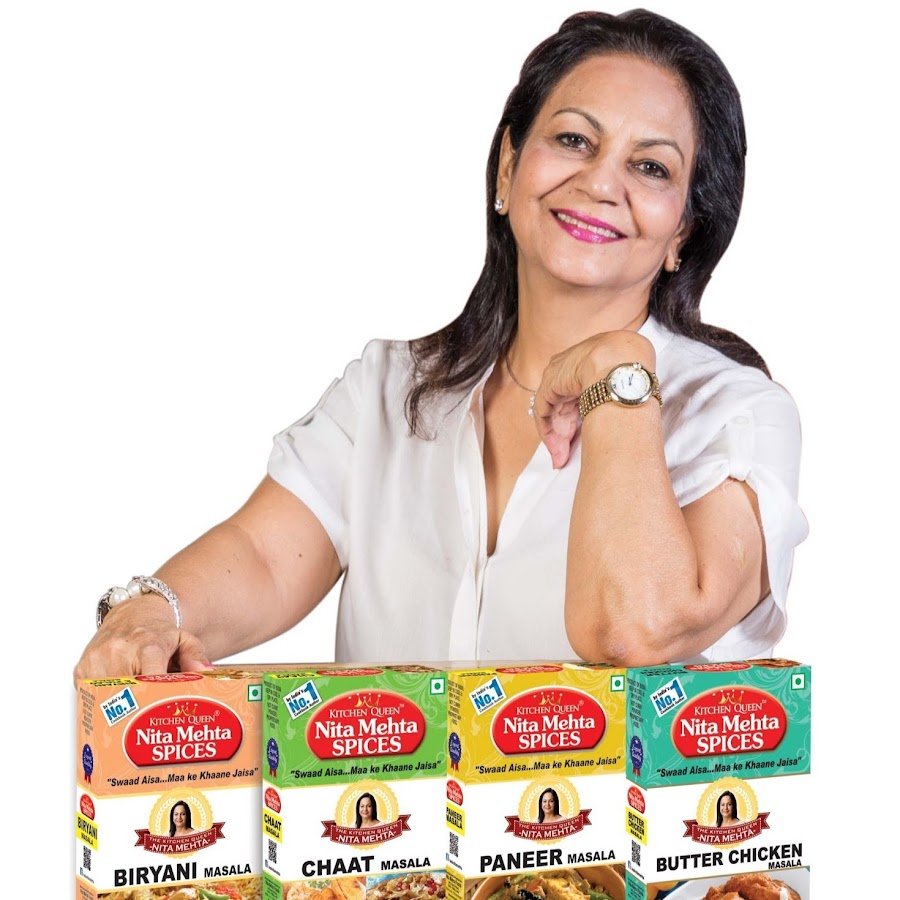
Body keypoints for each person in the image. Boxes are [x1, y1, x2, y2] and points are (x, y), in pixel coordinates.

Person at [74, 9, 807, 679]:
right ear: (509, 167)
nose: (599, 182)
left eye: (651, 167)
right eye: (573, 140)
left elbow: (633, 629)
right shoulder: (388, 390)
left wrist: (617, 371)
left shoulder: (737, 416)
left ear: (683, 231)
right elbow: (265, 558)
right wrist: (150, 611)